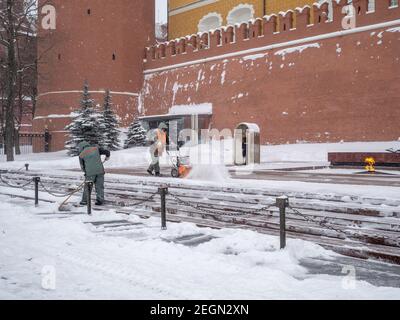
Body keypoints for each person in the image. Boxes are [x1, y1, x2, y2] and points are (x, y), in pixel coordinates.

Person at [78, 140, 110, 206]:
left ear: (81, 147)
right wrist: (107, 157)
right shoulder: (96, 149)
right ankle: (100, 200)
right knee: (99, 186)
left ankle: (84, 201)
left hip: (90, 173)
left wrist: (85, 172)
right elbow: (107, 152)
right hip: (100, 171)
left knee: (88, 187)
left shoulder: (81, 155)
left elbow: (82, 166)